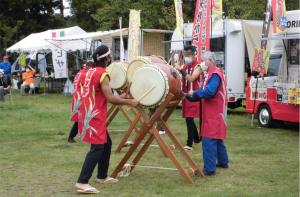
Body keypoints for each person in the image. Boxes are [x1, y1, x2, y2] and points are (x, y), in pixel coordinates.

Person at [75, 45, 138, 194]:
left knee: (106, 143)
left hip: (87, 111)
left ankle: (102, 176)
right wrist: (130, 102)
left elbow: (101, 93)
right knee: (97, 148)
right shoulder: (103, 74)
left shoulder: (90, 71)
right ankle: (82, 181)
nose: (111, 59)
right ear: (107, 58)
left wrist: (121, 97)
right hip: (94, 114)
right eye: (110, 57)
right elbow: (110, 98)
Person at [185, 51, 229, 176]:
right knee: (217, 138)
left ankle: (209, 169)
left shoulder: (214, 74)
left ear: (210, 61)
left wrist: (194, 94)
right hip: (216, 111)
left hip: (214, 112)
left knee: (209, 139)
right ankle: (223, 162)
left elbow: (209, 92)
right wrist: (193, 96)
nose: (202, 63)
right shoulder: (212, 73)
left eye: (203, 61)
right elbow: (206, 91)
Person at [176, 45, 202, 151]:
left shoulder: (199, 66)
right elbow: (181, 77)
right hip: (186, 94)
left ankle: (189, 143)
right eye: (185, 54)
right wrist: (175, 72)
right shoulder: (186, 66)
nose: (187, 57)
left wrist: (181, 70)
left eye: (189, 54)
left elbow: (191, 79)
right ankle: (196, 139)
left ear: (194, 54)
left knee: (189, 118)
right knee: (188, 118)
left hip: (195, 94)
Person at [68, 61, 91, 143]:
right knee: (79, 120)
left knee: (82, 118)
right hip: (80, 98)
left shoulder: (79, 73)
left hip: (77, 97)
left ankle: (86, 135)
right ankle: (71, 137)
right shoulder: (85, 74)